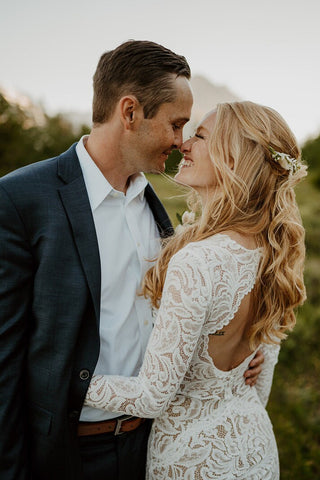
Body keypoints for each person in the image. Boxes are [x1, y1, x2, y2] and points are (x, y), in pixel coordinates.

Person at [0, 41, 263, 480]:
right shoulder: (21, 198)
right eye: (176, 125)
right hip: (66, 453)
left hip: (155, 447)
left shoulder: (165, 211)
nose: (182, 142)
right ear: (130, 113)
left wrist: (236, 360)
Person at [84, 101, 307, 479]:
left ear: (233, 160)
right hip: (254, 448)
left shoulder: (199, 260)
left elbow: (152, 396)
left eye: (200, 136)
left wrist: (58, 377)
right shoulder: (274, 252)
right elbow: (260, 385)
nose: (184, 144)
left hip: (193, 460)